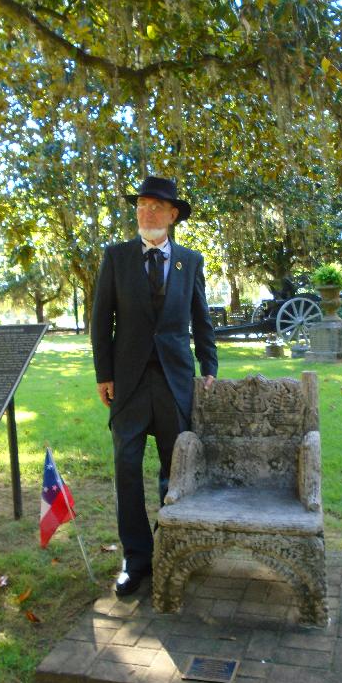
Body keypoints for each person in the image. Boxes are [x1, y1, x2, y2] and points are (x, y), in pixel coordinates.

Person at [91, 176, 218, 597]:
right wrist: (103, 374)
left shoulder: (190, 261)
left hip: (174, 380)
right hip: (127, 384)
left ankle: (172, 545)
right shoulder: (116, 257)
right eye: (141, 205)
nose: (145, 212)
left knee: (174, 470)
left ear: (172, 215)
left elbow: (201, 319)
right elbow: (101, 321)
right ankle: (136, 557)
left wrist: (209, 368)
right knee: (127, 469)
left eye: (155, 206)